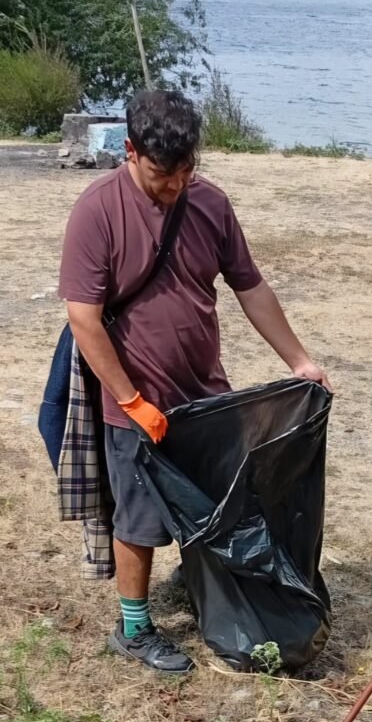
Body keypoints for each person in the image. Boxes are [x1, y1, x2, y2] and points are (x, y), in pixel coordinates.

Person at [59, 89, 330, 674]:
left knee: (219, 500)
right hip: (134, 399)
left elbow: (249, 286)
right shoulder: (97, 210)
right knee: (138, 518)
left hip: (205, 395)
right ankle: (133, 627)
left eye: (186, 170)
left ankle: (198, 577)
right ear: (130, 151)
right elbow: (83, 317)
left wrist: (298, 361)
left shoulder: (209, 203)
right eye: (162, 174)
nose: (176, 185)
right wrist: (131, 400)